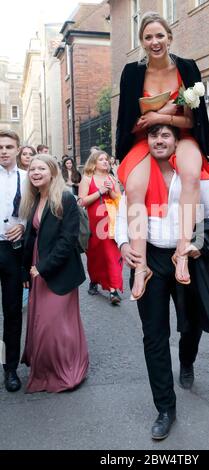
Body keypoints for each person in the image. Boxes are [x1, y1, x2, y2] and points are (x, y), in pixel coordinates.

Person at [115, 124, 209, 440]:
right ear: (148, 141)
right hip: (150, 258)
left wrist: (196, 242)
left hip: (186, 256)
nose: (159, 140)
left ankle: (187, 359)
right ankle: (165, 407)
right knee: (154, 335)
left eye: (166, 135)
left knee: (191, 324)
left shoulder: (191, 172)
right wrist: (124, 245)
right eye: (154, 135)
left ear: (177, 141)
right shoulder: (139, 171)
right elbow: (123, 216)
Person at [116, 11, 209, 300]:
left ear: (169, 38)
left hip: (180, 135)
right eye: (148, 37)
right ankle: (141, 266)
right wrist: (150, 120)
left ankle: (183, 250)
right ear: (141, 42)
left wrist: (163, 116)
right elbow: (130, 123)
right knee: (134, 187)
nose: (155, 41)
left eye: (160, 35)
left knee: (191, 173)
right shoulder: (132, 72)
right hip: (144, 138)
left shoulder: (187, 68)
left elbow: (191, 121)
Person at [20, 155, 89, 393]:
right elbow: (30, 238)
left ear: (52, 173)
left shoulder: (66, 198)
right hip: (36, 268)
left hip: (57, 269)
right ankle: (44, 369)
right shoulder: (34, 198)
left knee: (57, 324)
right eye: (32, 169)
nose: (35, 172)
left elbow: (68, 240)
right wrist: (26, 272)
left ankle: (67, 371)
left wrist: (43, 267)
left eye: (41, 168)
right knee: (40, 323)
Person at [0, 130, 27, 392]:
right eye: (0, 147)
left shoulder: (28, 178)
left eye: (9, 146)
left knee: (12, 312)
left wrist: (23, 226)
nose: (4, 151)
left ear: (18, 149)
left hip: (13, 251)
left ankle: (10, 369)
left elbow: (37, 211)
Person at [79, 150, 123, 305]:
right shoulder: (87, 179)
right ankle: (94, 281)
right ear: (94, 163)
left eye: (106, 159)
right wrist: (100, 191)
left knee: (112, 254)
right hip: (94, 225)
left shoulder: (112, 178)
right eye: (101, 159)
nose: (105, 162)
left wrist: (111, 190)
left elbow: (119, 199)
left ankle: (113, 289)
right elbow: (82, 202)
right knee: (96, 256)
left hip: (111, 223)